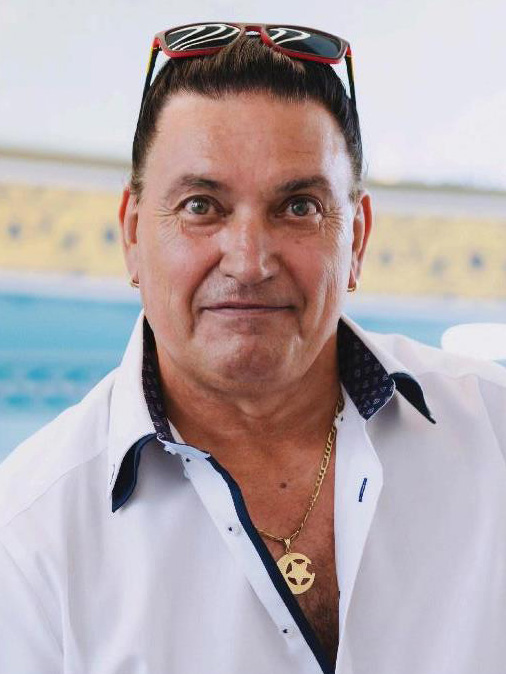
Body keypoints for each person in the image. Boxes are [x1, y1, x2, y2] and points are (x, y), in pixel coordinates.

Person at [1, 22, 505, 674]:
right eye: (200, 206)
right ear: (132, 234)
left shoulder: (493, 433)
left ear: (356, 239)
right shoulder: (29, 535)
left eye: (298, 207)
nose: (248, 261)